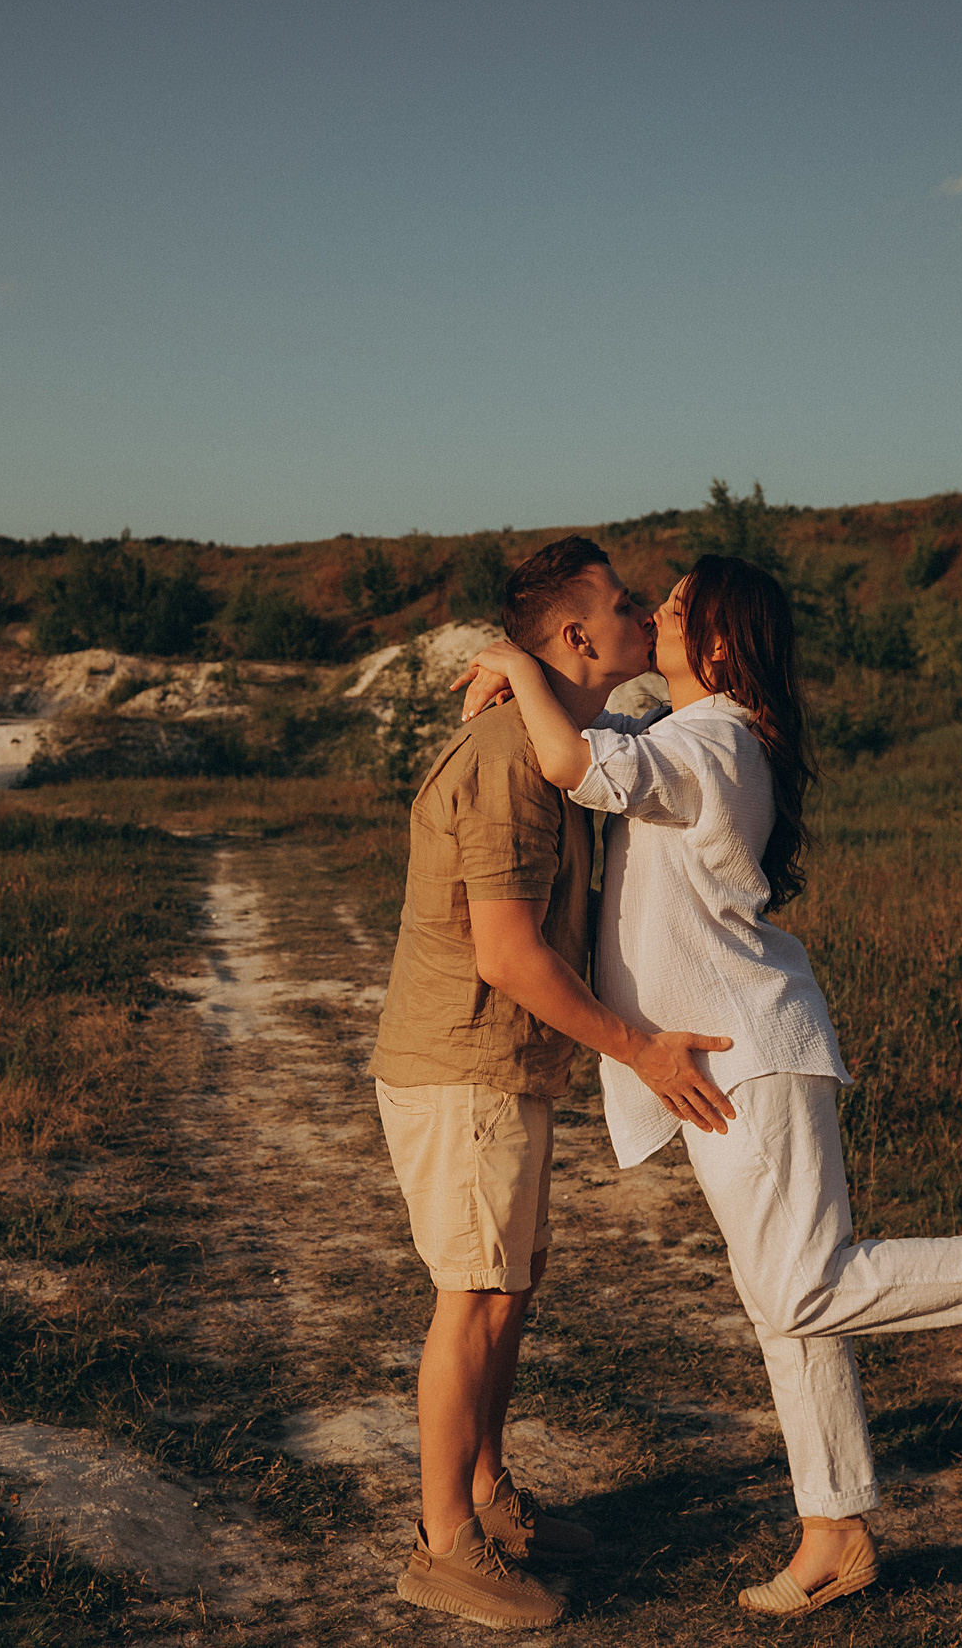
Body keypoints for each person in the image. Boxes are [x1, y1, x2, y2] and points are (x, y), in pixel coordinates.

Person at [458, 554, 962, 1620]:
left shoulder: (708, 740)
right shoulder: (704, 733)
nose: (653, 613)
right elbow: (606, 740)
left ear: (715, 644)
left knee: (803, 1286)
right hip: (724, 1056)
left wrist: (512, 664)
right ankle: (833, 1529)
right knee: (786, 1301)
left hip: (744, 1054)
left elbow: (574, 762)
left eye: (671, 608)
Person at [368, 536, 737, 1631]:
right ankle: (443, 1544)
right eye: (624, 605)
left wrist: (518, 667)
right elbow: (509, 956)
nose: (638, 616)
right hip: (463, 1063)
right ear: (578, 637)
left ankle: (487, 1495)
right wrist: (642, 1048)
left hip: (502, 1064)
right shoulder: (507, 761)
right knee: (474, 1297)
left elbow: (645, 748)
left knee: (509, 1284)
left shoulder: (559, 734)